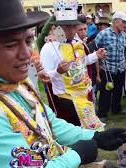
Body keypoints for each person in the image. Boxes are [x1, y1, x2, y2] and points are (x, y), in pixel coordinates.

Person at [0, 0, 126, 168]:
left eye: (28, 40)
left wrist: (93, 136)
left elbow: (48, 122)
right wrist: (76, 155)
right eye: (10, 45)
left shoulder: (20, 84)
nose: (26, 53)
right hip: (64, 96)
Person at [40, 0, 106, 130]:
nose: (70, 30)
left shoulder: (79, 43)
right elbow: (44, 75)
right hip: (65, 98)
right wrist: (58, 71)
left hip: (84, 94)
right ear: (58, 27)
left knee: (88, 128)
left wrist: (95, 55)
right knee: (72, 128)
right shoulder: (49, 47)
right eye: (66, 26)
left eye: (72, 26)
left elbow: (82, 62)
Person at [95, 12, 126, 121]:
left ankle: (116, 109)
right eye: (123, 22)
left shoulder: (125, 36)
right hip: (107, 69)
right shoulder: (103, 34)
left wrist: (125, 64)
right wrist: (99, 67)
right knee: (105, 92)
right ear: (115, 21)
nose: (125, 24)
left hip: (120, 69)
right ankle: (102, 114)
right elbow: (94, 50)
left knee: (118, 91)